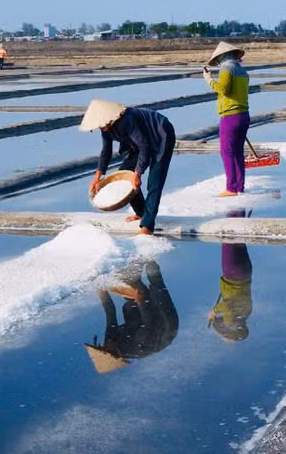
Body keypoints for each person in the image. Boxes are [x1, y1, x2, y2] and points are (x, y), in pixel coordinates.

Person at [81, 98, 175, 235]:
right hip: (138, 142)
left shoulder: (126, 120)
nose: (100, 128)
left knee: (154, 182)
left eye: (100, 125)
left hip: (160, 134)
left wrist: (138, 173)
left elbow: (145, 147)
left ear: (108, 118)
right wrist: (97, 176)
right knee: (124, 178)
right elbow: (106, 151)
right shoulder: (105, 127)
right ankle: (142, 213)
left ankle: (147, 226)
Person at [83, 261, 180, 373]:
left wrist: (101, 292)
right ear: (112, 351)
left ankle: (134, 271)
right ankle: (149, 259)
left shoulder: (110, 340)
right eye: (104, 348)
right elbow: (148, 324)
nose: (104, 343)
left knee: (132, 289)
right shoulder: (134, 347)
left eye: (100, 346)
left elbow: (110, 312)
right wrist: (141, 301)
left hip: (139, 323)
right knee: (156, 287)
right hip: (164, 327)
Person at [203, 41, 250, 198]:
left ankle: (231, 188)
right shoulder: (241, 70)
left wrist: (209, 80)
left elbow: (223, 90)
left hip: (230, 116)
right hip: (243, 115)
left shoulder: (226, 68)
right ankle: (240, 186)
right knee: (238, 152)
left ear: (221, 57)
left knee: (226, 151)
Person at [207, 209, 253, 342]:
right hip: (233, 274)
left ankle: (238, 205)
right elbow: (226, 306)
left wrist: (217, 324)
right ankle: (235, 204)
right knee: (228, 238)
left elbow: (223, 317)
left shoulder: (246, 313)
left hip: (245, 273)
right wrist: (214, 312)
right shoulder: (232, 318)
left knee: (237, 238)